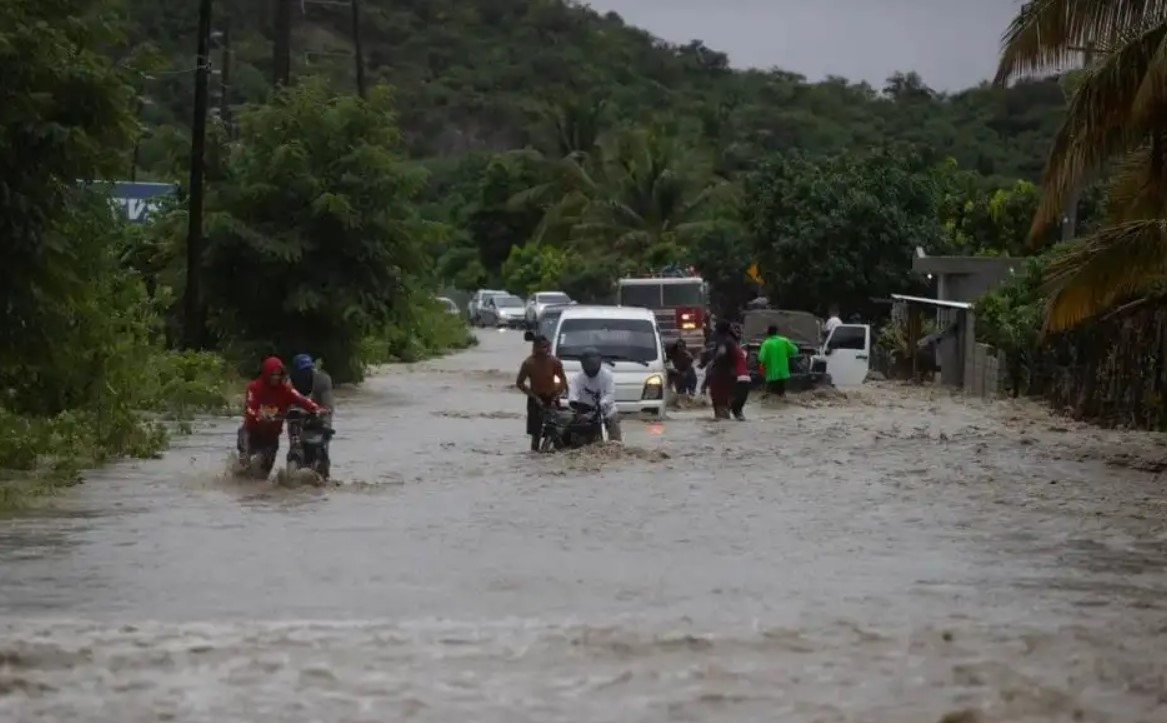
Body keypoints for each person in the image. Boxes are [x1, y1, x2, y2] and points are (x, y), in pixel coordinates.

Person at [238, 356, 324, 478]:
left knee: (262, 476)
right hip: (251, 432)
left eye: (279, 375)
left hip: (271, 438)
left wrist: (317, 409)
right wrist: (259, 415)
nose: (276, 378)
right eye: (273, 375)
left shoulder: (286, 390)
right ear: (267, 374)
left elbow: (303, 400)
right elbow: (249, 408)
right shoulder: (254, 387)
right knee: (243, 464)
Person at [515, 334, 567, 451]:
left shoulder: (555, 362)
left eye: (546, 347)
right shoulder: (528, 363)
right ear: (535, 347)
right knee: (535, 435)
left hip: (551, 398)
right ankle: (535, 457)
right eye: (540, 347)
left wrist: (557, 395)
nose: (543, 350)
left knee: (555, 430)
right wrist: (534, 397)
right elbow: (520, 383)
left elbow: (563, 380)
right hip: (535, 399)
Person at [289, 353, 337, 477]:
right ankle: (293, 472)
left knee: (322, 449)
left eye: (308, 369)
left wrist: (326, 425)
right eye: (302, 371)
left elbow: (328, 406)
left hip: (319, 418)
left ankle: (324, 474)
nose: (306, 373)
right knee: (295, 449)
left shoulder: (322, 380)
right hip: (296, 419)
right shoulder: (288, 383)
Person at [567, 347, 622, 442]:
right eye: (589, 364)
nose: (591, 367)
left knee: (614, 428)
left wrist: (602, 404)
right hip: (586, 412)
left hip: (606, 410)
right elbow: (573, 395)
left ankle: (617, 448)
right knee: (575, 433)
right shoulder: (577, 378)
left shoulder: (607, 375)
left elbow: (610, 394)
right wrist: (576, 405)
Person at [699, 319, 738, 419]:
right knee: (723, 407)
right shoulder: (731, 341)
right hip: (727, 378)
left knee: (721, 408)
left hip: (721, 378)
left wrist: (704, 384)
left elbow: (719, 355)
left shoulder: (723, 341)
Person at [756, 324, 801, 397]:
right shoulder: (784, 341)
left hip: (771, 375)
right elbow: (795, 351)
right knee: (781, 394)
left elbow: (761, 358)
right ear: (777, 332)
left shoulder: (766, 343)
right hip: (782, 374)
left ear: (768, 333)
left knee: (769, 395)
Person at [728, 327, 751, 421]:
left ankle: (736, 412)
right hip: (739, 377)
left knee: (738, 399)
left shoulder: (740, 349)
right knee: (738, 399)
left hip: (743, 377)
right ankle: (736, 413)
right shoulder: (734, 347)